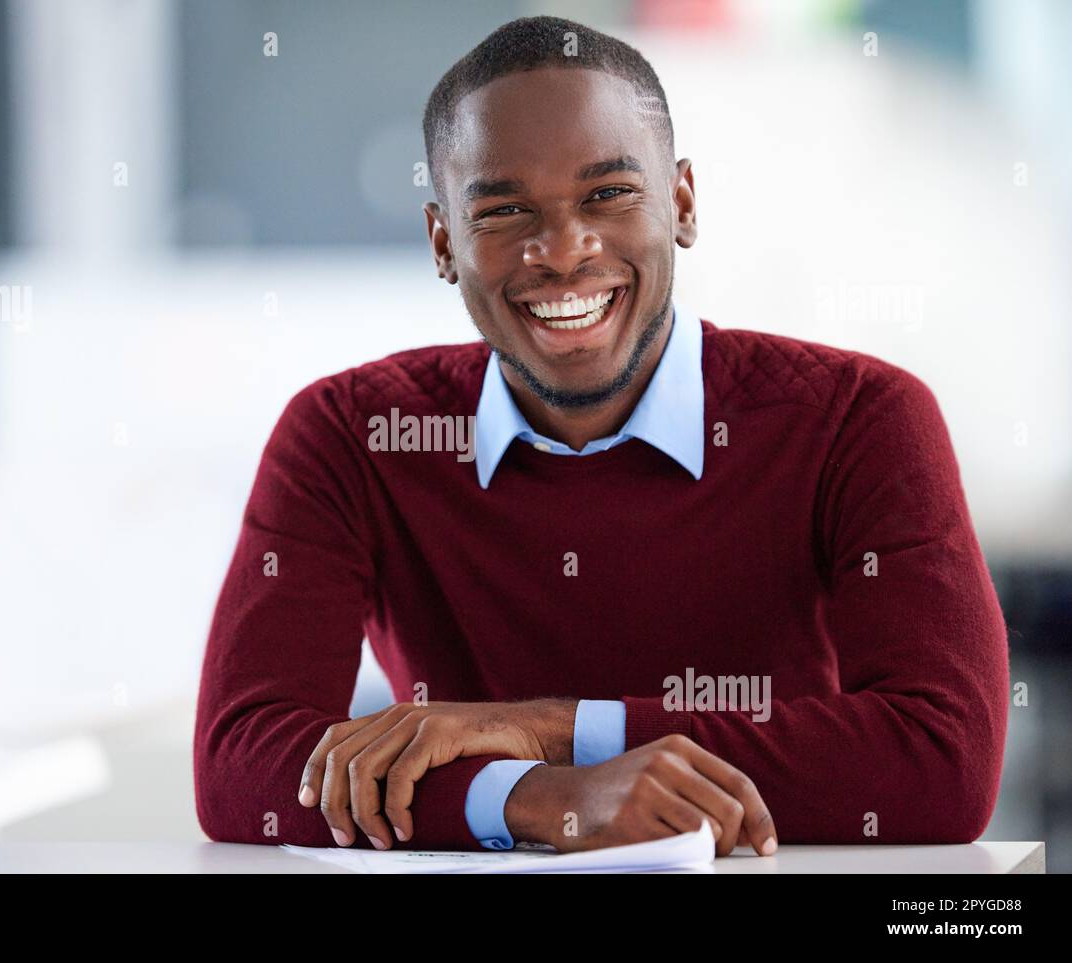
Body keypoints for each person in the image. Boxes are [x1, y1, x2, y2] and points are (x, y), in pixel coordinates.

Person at [193, 15, 1009, 855]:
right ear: (444, 243)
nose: (563, 250)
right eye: (504, 209)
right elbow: (240, 765)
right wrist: (545, 799)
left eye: (609, 194)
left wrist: (553, 730)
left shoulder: (860, 418)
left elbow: (941, 757)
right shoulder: (351, 436)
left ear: (682, 204)